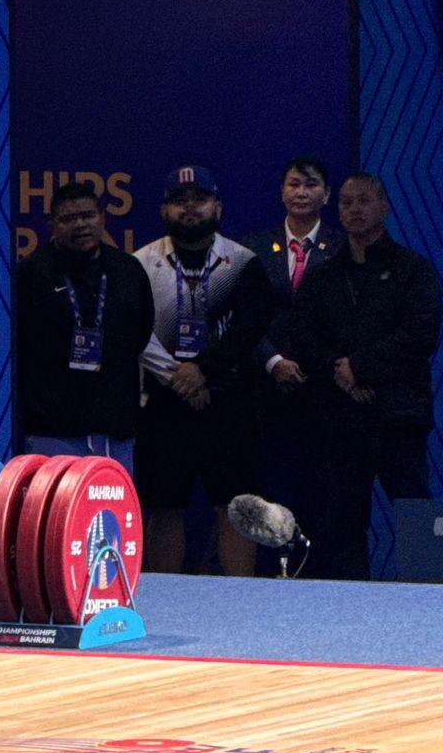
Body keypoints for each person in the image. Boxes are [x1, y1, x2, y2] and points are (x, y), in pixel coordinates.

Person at [289, 173, 442, 579]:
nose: (355, 210)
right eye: (346, 203)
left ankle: (427, 601)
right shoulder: (323, 276)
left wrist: (361, 367)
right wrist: (338, 371)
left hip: (398, 415)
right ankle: (344, 615)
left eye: (364, 202)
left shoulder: (414, 270)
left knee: (413, 509)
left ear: (384, 207)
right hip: (339, 419)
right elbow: (301, 333)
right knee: (339, 522)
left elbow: (420, 333)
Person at [134, 166, 274, 575]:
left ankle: (240, 599)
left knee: (234, 505)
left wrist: (204, 372)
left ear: (218, 206)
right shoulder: (140, 263)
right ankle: (164, 595)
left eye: (199, 199)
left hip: (228, 402)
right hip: (164, 405)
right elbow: (137, 330)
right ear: (164, 209)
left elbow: (249, 330)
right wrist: (177, 377)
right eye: (180, 201)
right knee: (165, 505)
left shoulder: (244, 263)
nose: (190, 208)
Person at [15, 181, 155, 470]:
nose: (81, 225)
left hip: (114, 426)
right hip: (53, 427)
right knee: (54, 511)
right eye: (69, 218)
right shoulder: (31, 273)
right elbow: (19, 342)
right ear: (52, 224)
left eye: (88, 216)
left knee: (112, 512)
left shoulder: (127, 270)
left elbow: (140, 333)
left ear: (102, 218)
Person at [242, 156, 340, 525]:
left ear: (327, 195)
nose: (301, 192)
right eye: (294, 184)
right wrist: (273, 361)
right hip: (267, 392)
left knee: (322, 498)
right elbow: (242, 317)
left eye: (311, 184)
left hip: (324, 393)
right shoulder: (252, 248)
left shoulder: (344, 248)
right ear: (282, 192)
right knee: (269, 493)